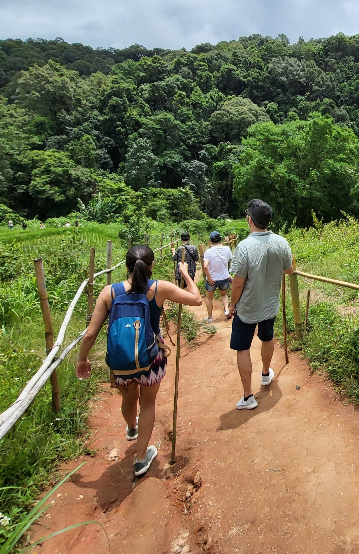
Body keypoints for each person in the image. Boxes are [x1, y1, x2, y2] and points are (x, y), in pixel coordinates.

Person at [76, 245, 203, 476]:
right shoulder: (158, 288)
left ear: (126, 266)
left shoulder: (109, 293)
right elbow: (196, 300)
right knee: (147, 403)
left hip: (120, 361)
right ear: (151, 266)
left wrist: (82, 359)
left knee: (129, 397)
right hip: (151, 358)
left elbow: (90, 334)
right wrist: (185, 273)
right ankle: (141, 457)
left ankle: (132, 429)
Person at [226, 199, 294, 410]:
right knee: (267, 337)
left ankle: (248, 396)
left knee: (242, 347)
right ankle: (266, 374)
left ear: (250, 220)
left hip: (247, 307)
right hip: (270, 304)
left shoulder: (244, 247)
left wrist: (231, 305)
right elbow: (289, 269)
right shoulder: (281, 242)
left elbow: (237, 283)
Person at [202, 230, 233, 322]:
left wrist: (210, 278)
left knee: (209, 298)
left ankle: (210, 317)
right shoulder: (227, 249)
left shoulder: (208, 252)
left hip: (212, 279)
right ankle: (227, 310)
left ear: (210, 241)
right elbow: (231, 260)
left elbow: (205, 266)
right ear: (220, 239)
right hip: (224, 278)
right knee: (223, 295)